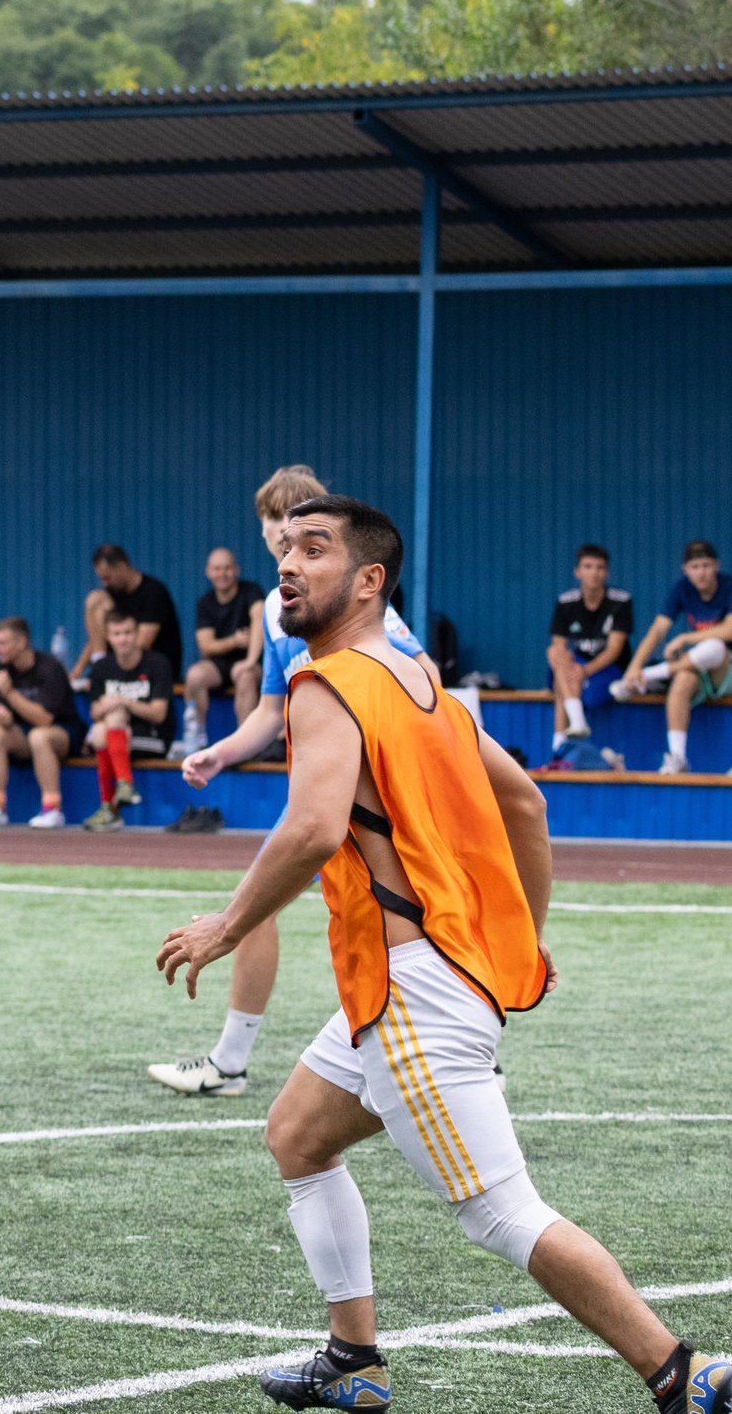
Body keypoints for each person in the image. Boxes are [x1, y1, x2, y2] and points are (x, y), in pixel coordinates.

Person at [157, 496, 732, 1414]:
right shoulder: (420, 678)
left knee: (502, 1211)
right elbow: (528, 805)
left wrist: (225, 926)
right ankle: (353, 1360)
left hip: (412, 998)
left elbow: (311, 829)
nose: (289, 563)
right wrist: (520, 938)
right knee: (297, 1133)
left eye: (315, 548)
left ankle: (680, 1372)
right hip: (429, 979)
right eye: (286, 548)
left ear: (369, 581)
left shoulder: (325, 685)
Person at [156, 464, 444, 1096]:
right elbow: (269, 711)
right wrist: (219, 753)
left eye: (297, 530)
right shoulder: (277, 609)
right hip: (321, 797)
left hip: (369, 800)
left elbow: (426, 678)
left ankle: (463, 1048)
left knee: (403, 912)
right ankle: (231, 1062)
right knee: (261, 904)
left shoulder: (354, 607)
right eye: (274, 523)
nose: (278, 536)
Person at [614, 540, 732, 775]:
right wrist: (633, 668)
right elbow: (658, 630)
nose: (701, 572)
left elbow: (731, 631)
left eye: (706, 565)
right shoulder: (682, 589)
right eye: (695, 567)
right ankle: (678, 758)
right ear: (685, 570)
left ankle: (650, 674)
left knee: (715, 646)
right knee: (682, 679)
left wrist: (684, 638)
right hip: (700, 671)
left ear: (716, 566)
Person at [0, 616, 77, 828]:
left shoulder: (49, 667)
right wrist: (1, 717)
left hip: (63, 731)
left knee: (39, 736)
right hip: (24, 733)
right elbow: (1, 710)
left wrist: (10, 693)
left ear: (21, 642)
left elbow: (44, 719)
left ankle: (53, 809)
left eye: (2, 643)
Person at [81, 608, 173, 831]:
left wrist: (123, 701)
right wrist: (110, 706)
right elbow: (94, 712)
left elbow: (159, 714)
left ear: (137, 633)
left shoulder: (157, 663)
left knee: (114, 717)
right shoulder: (102, 667)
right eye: (117, 634)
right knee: (100, 729)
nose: (123, 639)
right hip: (117, 737)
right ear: (108, 637)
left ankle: (110, 807)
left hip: (153, 738)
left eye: (128, 632)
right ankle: (122, 789)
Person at [546, 544, 632, 754]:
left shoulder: (621, 601)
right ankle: (576, 722)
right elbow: (558, 646)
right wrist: (575, 670)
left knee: (561, 681)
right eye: (588, 567)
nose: (594, 572)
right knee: (555, 655)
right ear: (577, 572)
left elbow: (614, 650)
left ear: (607, 572)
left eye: (600, 567)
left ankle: (558, 748)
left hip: (608, 671)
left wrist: (583, 671)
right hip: (575, 667)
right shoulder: (565, 602)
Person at [179, 546, 255, 757]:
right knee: (195, 675)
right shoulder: (205, 603)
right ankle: (197, 739)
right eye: (217, 569)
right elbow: (206, 646)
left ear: (237, 570)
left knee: (246, 676)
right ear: (208, 572)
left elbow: (259, 623)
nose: (222, 573)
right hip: (219, 666)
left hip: (250, 663)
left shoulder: (251, 592)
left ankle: (246, 745)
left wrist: (249, 659)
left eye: (227, 568)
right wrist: (236, 641)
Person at [76, 545, 183, 690]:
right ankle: (99, 668)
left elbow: (142, 644)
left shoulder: (154, 593)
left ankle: (102, 672)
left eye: (107, 577)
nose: (104, 583)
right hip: (119, 665)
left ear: (121, 567)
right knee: (95, 599)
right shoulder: (112, 593)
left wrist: (110, 672)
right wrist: (78, 669)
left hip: (153, 671)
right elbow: (97, 637)